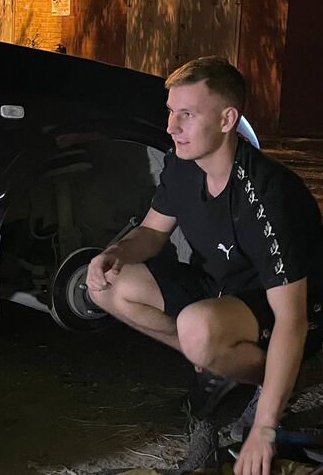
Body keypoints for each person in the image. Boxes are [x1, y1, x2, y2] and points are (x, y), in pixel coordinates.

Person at [85, 56, 323, 475]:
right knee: (107, 284)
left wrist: (264, 430)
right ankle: (219, 360)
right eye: (171, 112)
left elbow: (293, 320)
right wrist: (116, 253)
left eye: (187, 115)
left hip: (283, 309)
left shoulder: (269, 194)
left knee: (198, 327)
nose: (171, 127)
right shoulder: (182, 165)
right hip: (218, 292)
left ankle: (273, 385)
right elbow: (152, 232)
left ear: (227, 119)